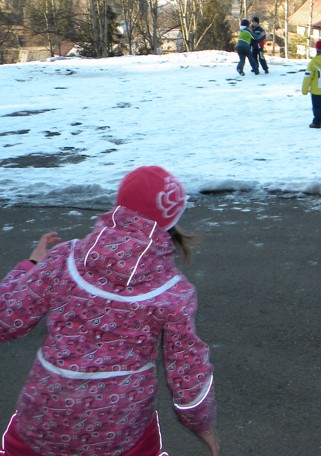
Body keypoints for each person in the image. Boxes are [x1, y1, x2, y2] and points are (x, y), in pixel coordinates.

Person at [0, 166, 219, 456]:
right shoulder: (173, 291)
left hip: (45, 415)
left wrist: (32, 266)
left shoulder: (65, 257)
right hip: (122, 428)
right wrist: (202, 425)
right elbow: (188, 374)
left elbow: (7, 318)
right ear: (172, 220)